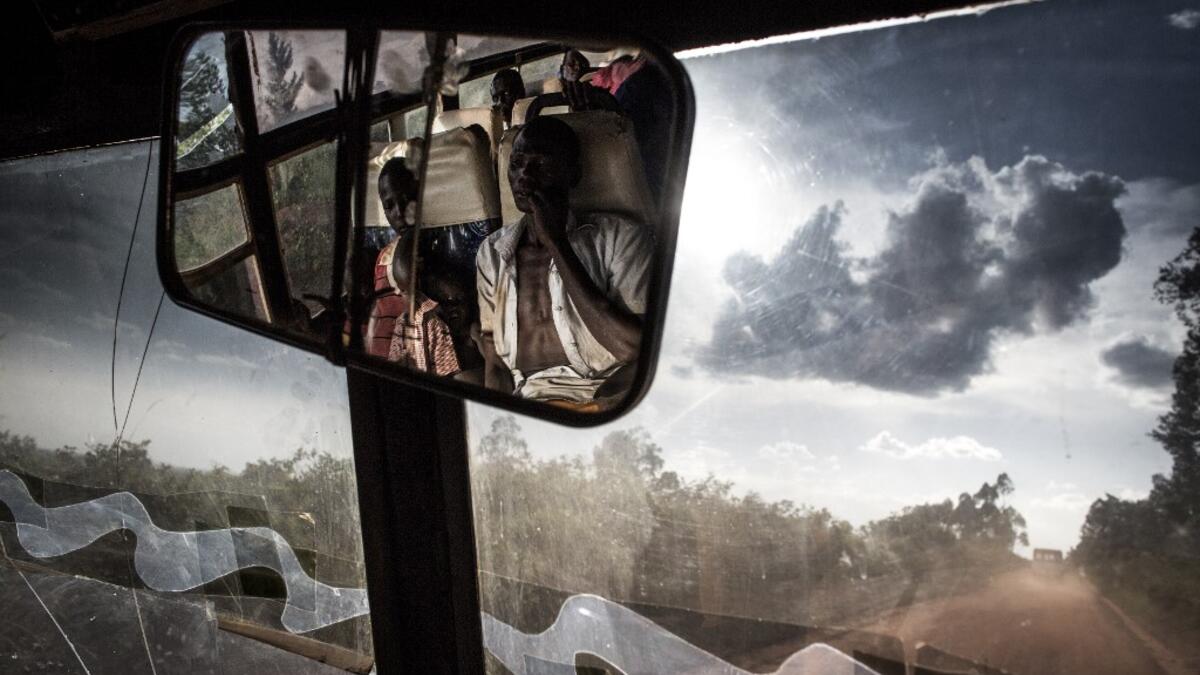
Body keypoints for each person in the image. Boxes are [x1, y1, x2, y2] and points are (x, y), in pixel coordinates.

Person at [475, 116, 653, 407]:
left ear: (574, 174)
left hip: (604, 392)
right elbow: (495, 364)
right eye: (517, 163)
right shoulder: (491, 253)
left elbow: (635, 349)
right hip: (528, 398)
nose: (524, 176)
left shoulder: (621, 237)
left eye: (541, 165)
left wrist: (556, 243)